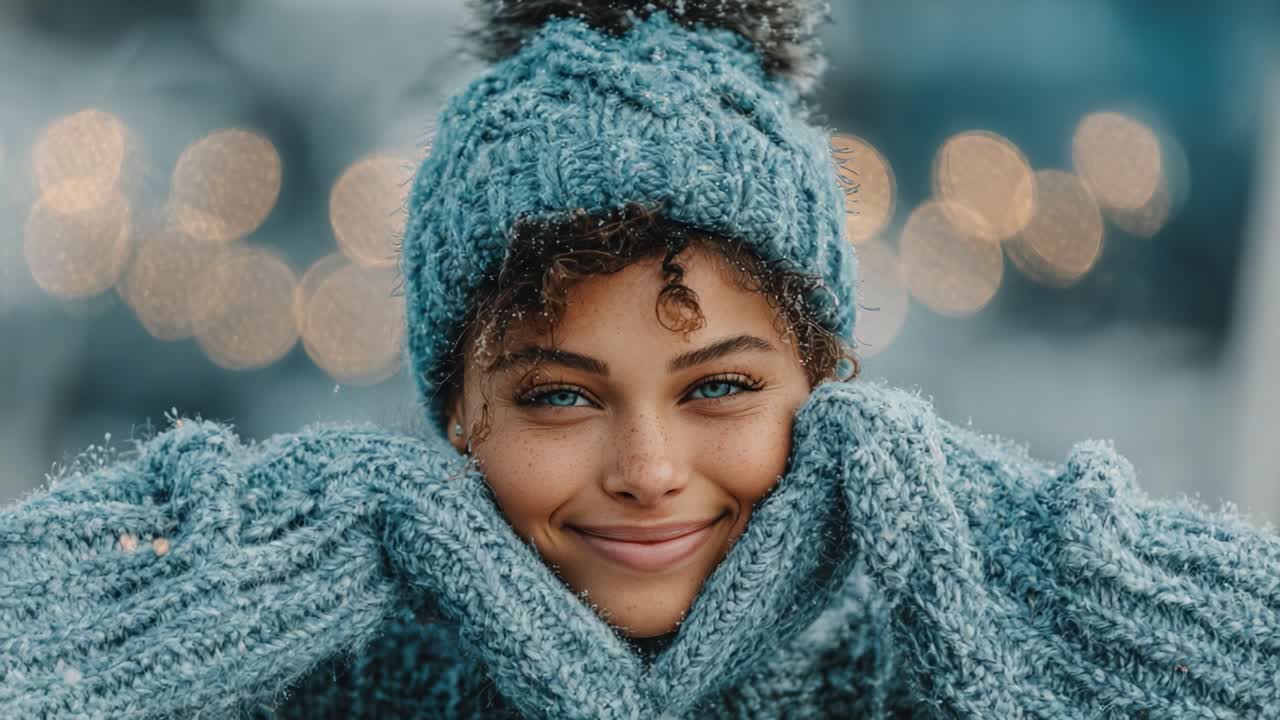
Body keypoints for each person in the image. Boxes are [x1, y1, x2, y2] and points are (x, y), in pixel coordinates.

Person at [3, 2, 1279, 718]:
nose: (649, 470)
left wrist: (1017, 559)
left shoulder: (921, 663)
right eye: (559, 395)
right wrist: (261, 554)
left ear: (826, 394)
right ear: (455, 409)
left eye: (718, 386)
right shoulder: (321, 672)